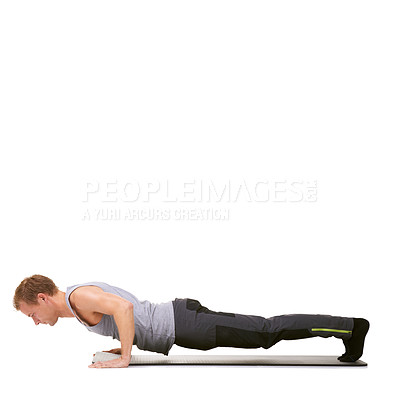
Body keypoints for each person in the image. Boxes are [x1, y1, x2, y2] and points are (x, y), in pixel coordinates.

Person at [13, 275, 369, 368]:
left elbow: (124, 308)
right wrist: (123, 345)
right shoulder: (77, 303)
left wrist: (124, 356)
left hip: (185, 324)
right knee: (264, 331)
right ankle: (349, 328)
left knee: (265, 331)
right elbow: (126, 313)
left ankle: (351, 327)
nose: (36, 322)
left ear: (42, 298)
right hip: (183, 324)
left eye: (32, 314)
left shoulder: (77, 297)